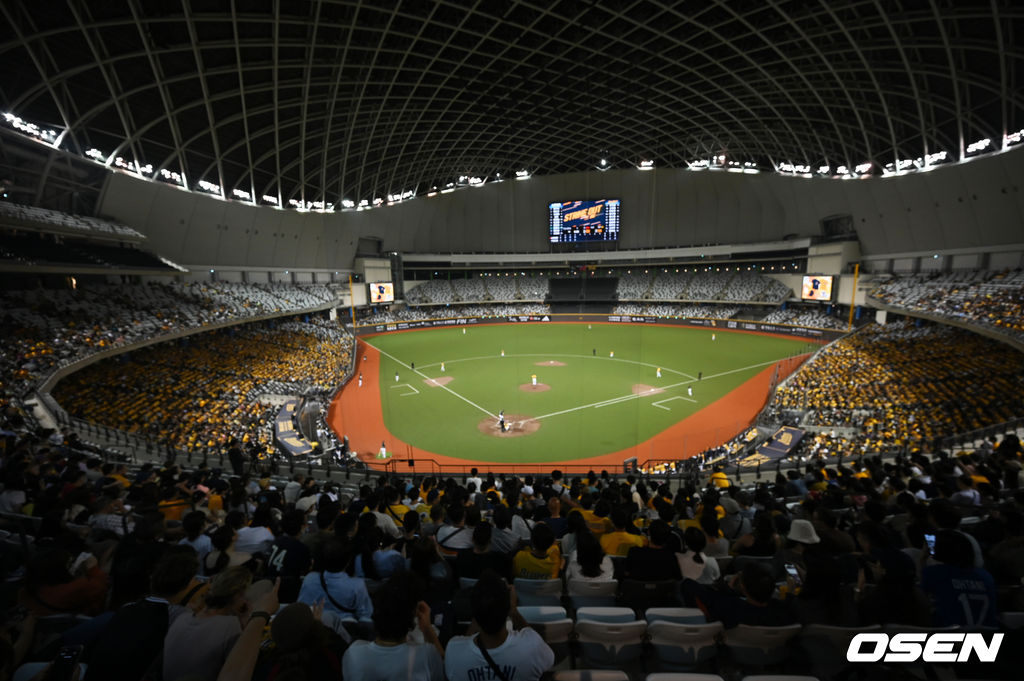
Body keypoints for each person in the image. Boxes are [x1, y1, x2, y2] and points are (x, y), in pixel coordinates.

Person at [84, 546, 204, 681]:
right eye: (195, 580)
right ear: (186, 585)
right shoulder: (181, 616)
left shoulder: (128, 607)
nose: (198, 582)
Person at [162, 567, 272, 681]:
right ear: (239, 595)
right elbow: (241, 668)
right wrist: (247, 623)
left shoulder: (182, 618)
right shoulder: (230, 626)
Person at [445, 572, 554, 681]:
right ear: (508, 608)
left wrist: (479, 612)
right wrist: (514, 612)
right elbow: (549, 661)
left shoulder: (453, 651)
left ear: (474, 612)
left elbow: (465, 643)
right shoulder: (532, 646)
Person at [341, 574, 444, 681]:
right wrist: (427, 628)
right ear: (412, 616)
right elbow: (444, 669)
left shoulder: (354, 653)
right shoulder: (426, 655)